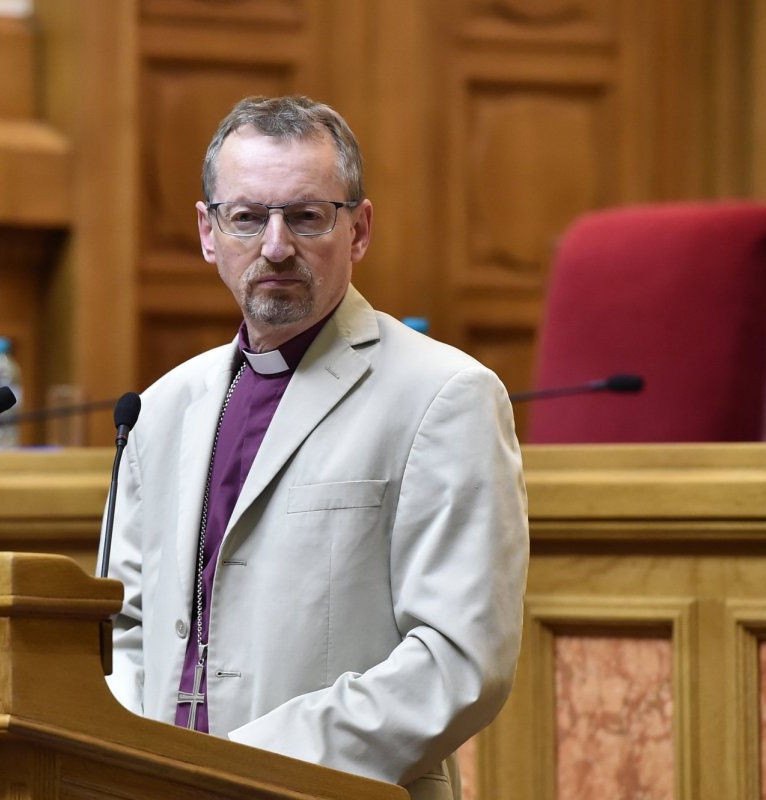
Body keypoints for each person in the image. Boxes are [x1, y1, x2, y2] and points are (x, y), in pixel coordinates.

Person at [101, 95, 529, 800]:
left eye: (305, 216)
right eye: (247, 217)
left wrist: (245, 770)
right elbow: (125, 629)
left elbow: (459, 660)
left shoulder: (444, 395)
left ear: (359, 230)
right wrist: (130, 765)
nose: (275, 246)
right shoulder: (159, 409)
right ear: (208, 232)